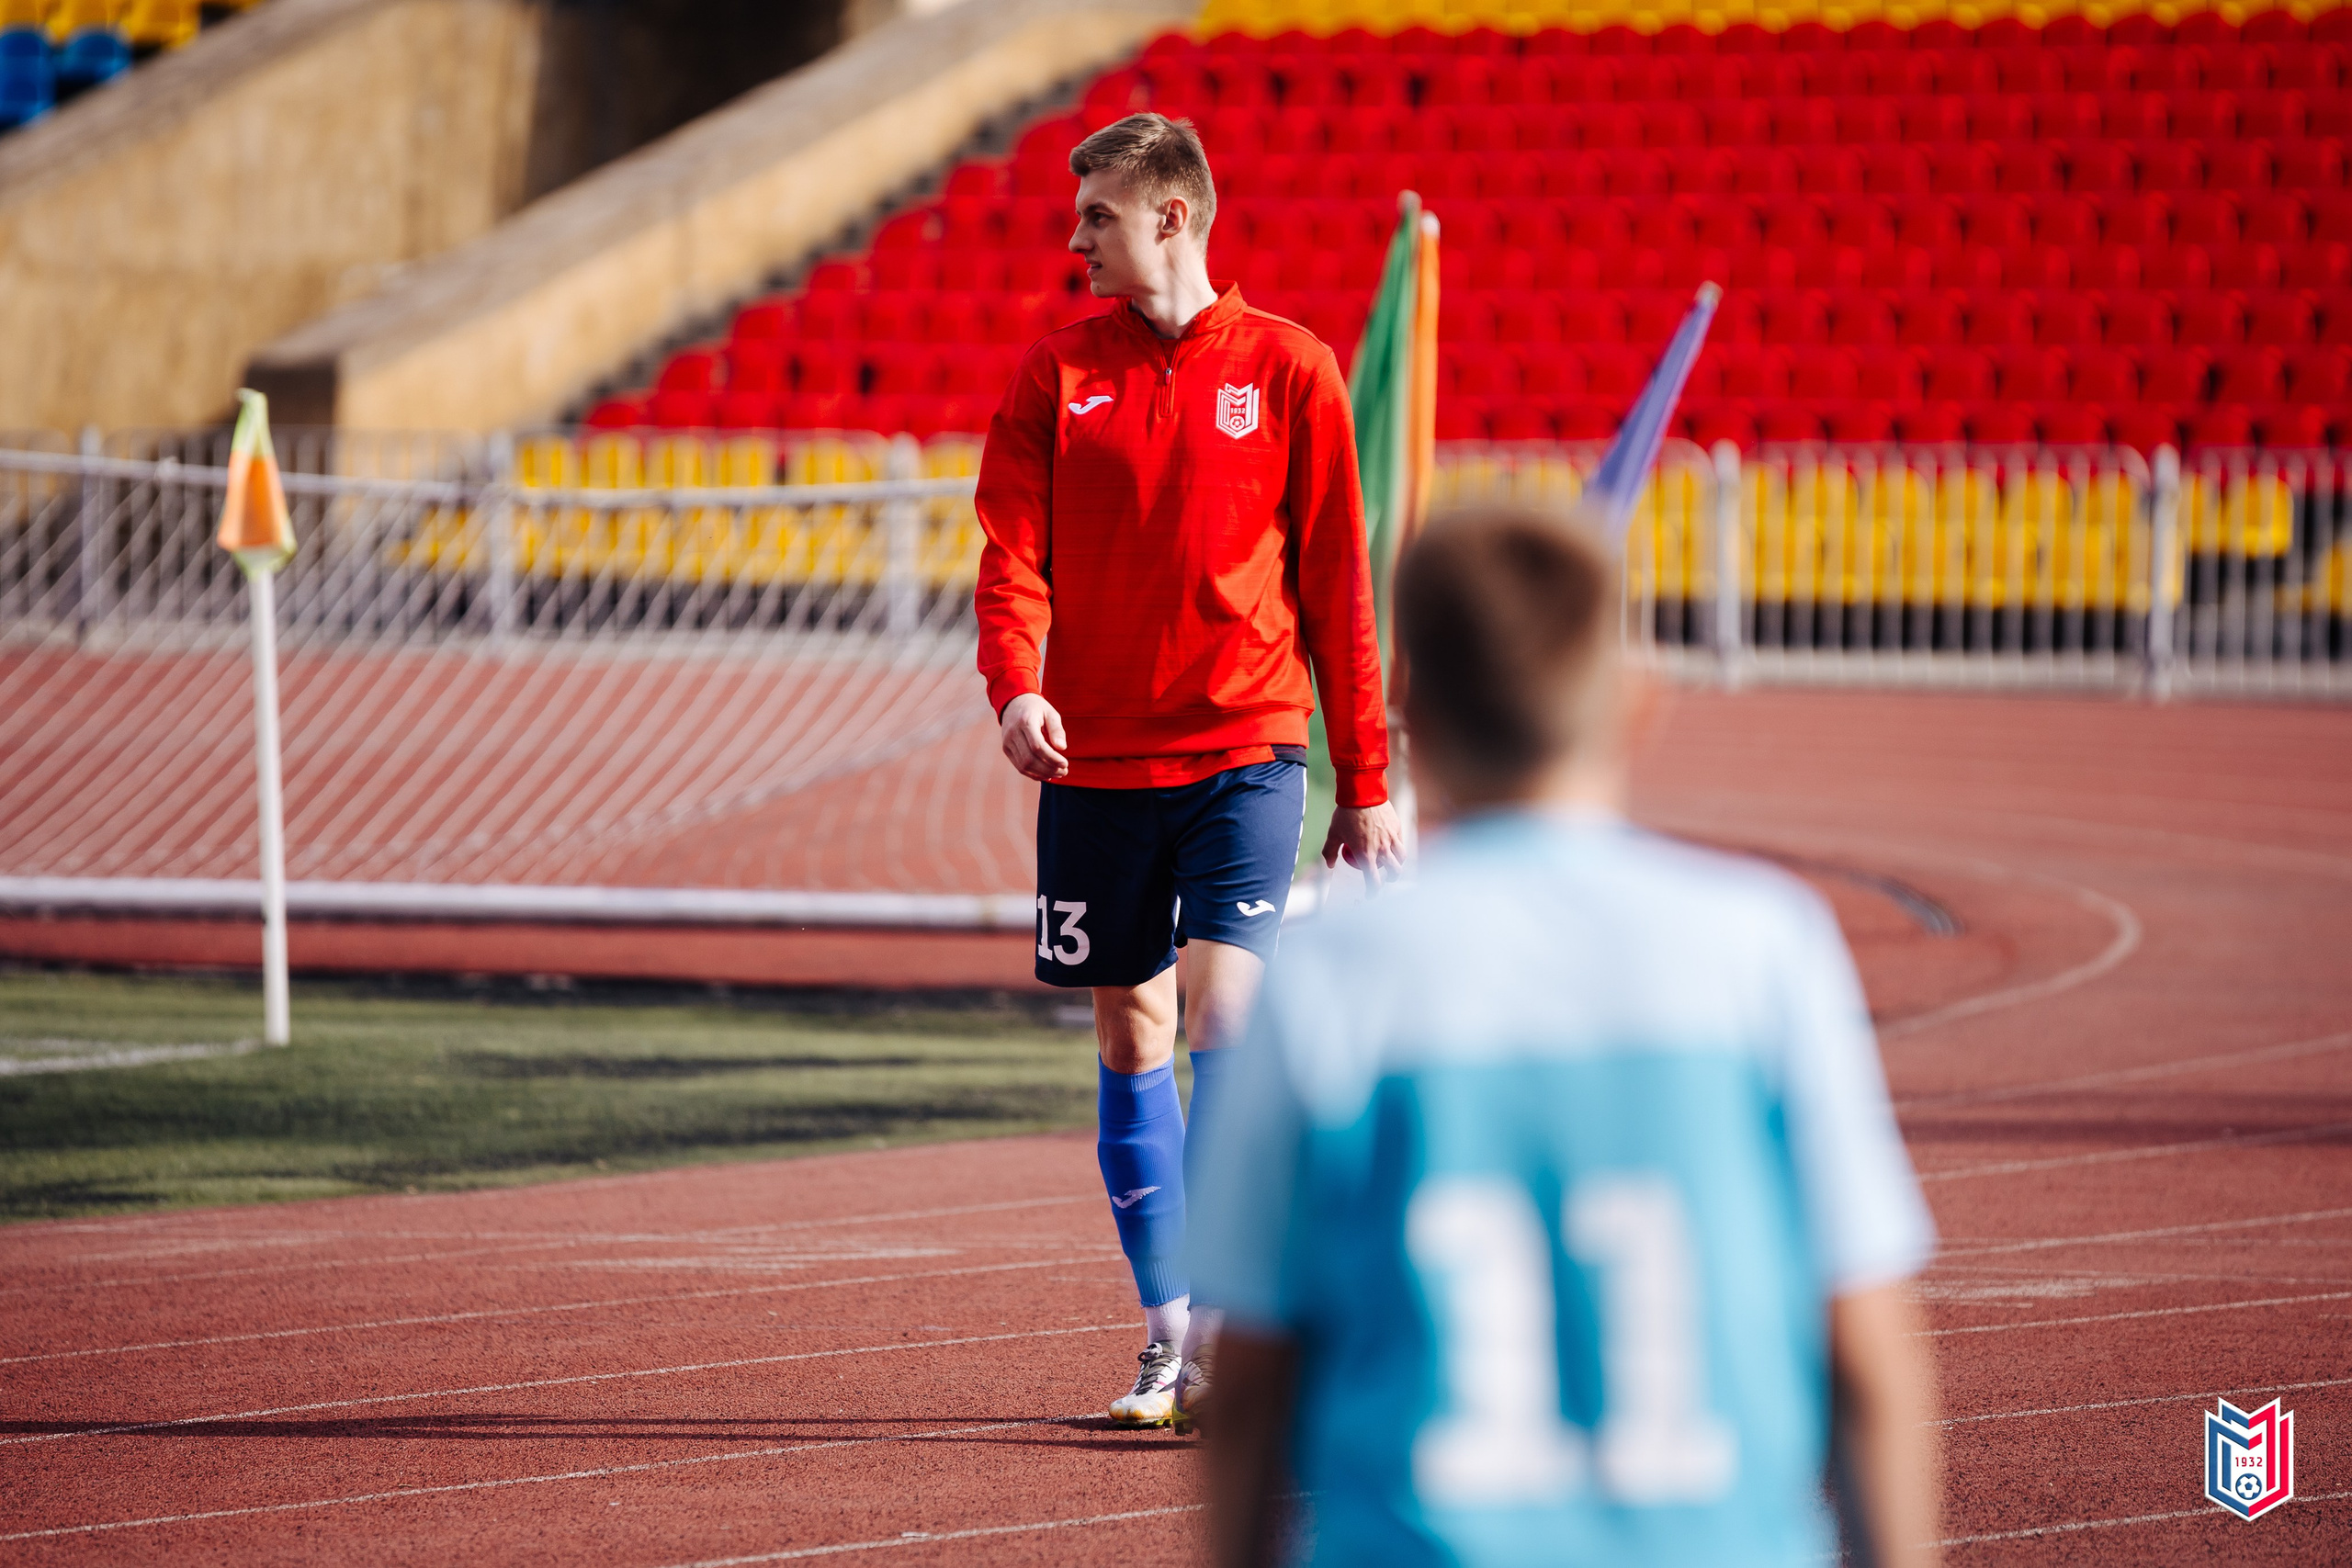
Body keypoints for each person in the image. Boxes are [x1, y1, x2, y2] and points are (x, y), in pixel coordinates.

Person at [1189, 509, 1942, 1567]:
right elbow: (1863, 1346)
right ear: (1636, 704)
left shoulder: (1329, 977)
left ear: (1412, 719)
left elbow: (1255, 1380)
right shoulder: (1762, 946)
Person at [973, 111, 1407, 1429]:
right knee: (1132, 1033)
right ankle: (1167, 1332)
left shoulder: (1291, 369)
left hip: (1245, 750)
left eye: (1095, 215)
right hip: (1098, 759)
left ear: (1171, 217)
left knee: (1223, 1017)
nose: (1075, 238)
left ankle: (1224, 1323)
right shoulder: (1055, 373)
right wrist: (1017, 685)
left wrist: (1365, 780)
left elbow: (1337, 585)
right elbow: (1011, 555)